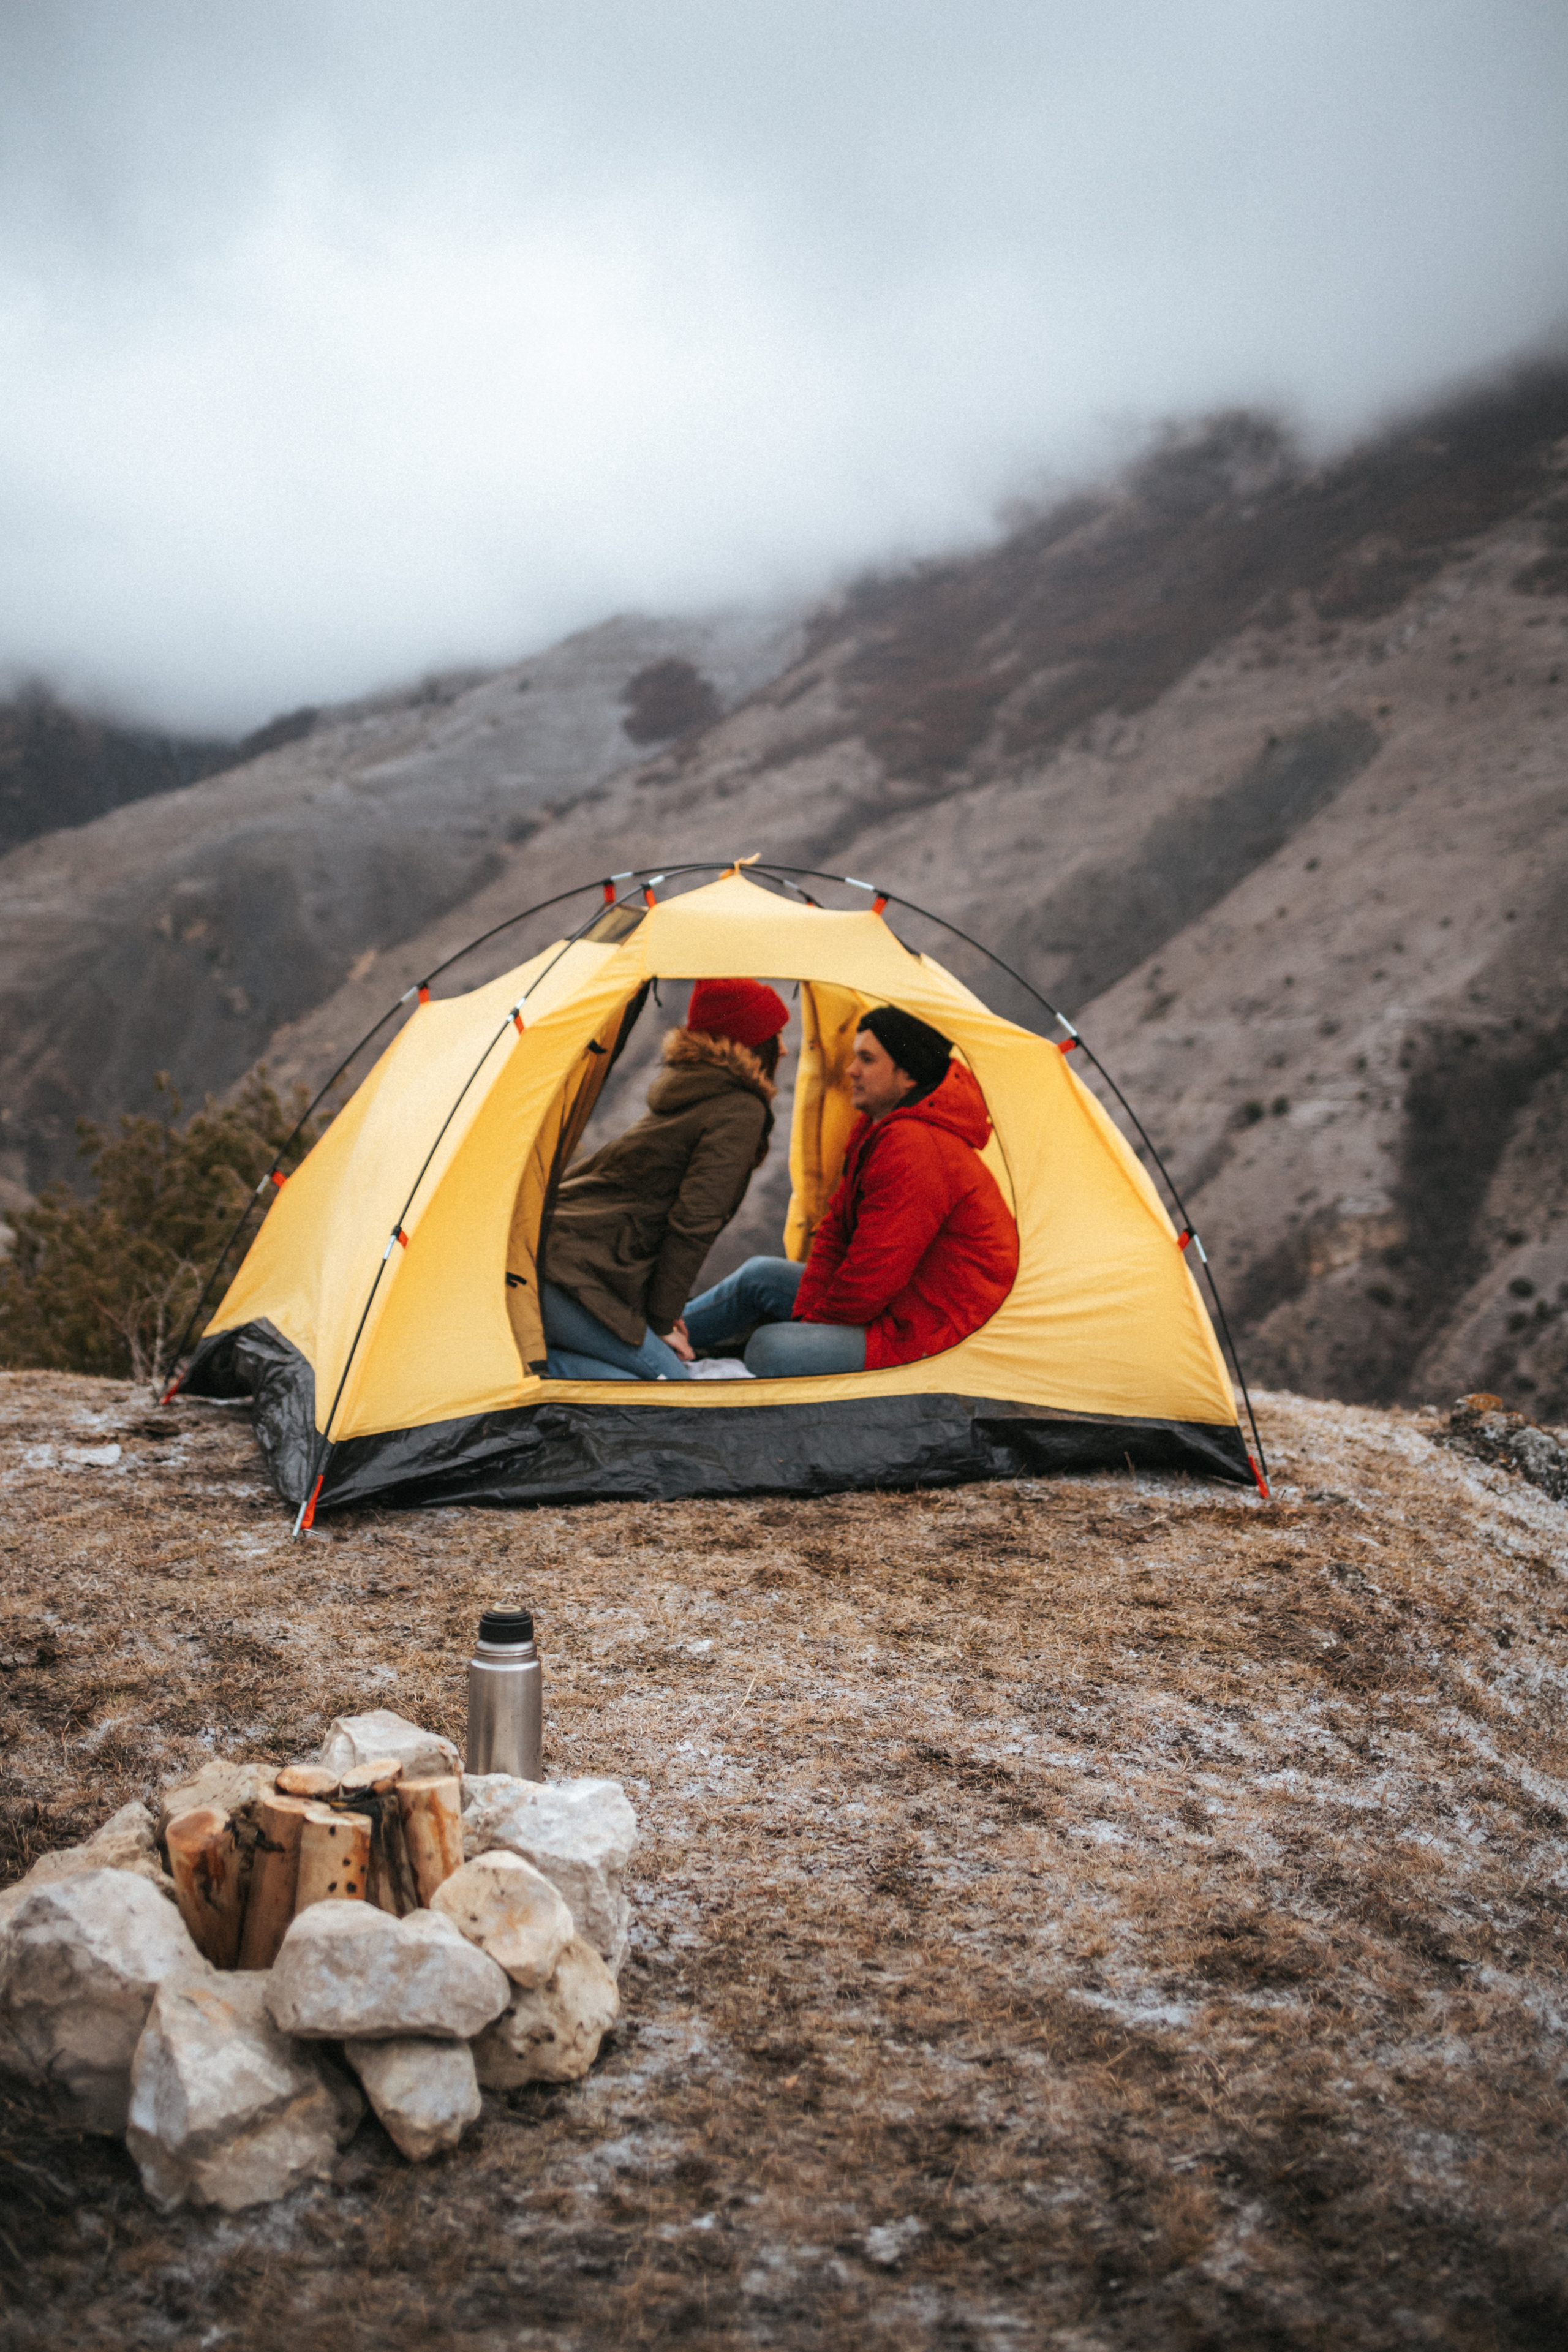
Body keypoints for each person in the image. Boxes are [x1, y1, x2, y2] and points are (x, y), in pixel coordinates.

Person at [682, 1005, 1019, 1376]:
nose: (851, 1071)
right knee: (760, 1276)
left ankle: (654, 1353)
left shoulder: (917, 1146)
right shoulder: (877, 1128)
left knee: (770, 1349)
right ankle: (657, 1337)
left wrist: (811, 1329)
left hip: (936, 1334)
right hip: (900, 1305)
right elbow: (836, 1233)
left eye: (867, 1060)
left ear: (907, 1075)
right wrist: (812, 1315)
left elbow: (874, 1274)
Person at [540, 977, 790, 1381]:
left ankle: (530, 1365)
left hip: (560, 1263)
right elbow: (693, 1223)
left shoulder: (694, 1092)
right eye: (773, 1035)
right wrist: (661, 1320)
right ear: (750, 1043)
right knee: (667, 1388)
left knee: (653, 1380)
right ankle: (520, 1374)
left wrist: (662, 1317)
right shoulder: (740, 1109)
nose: (783, 1047)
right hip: (571, 1278)